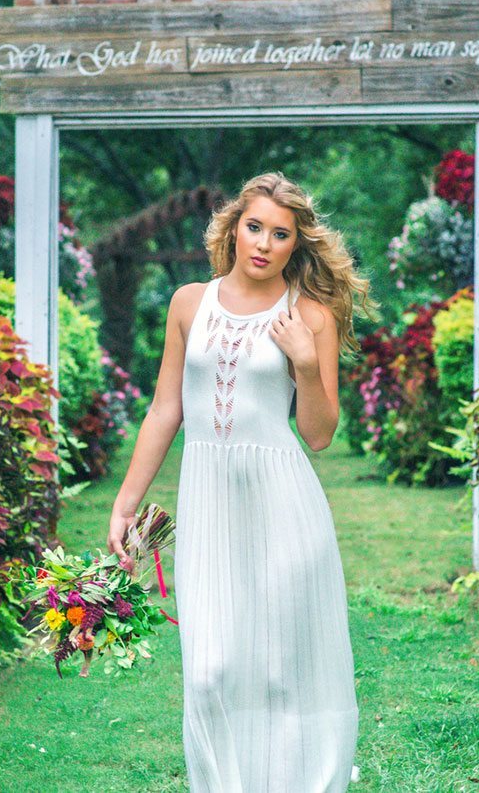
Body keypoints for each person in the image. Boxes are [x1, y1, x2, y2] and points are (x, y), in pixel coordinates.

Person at [108, 171, 377, 791]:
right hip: (208, 503)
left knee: (283, 668)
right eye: (254, 227)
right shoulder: (188, 302)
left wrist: (307, 364)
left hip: (284, 503)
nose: (263, 243)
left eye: (279, 234)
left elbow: (318, 433)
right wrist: (127, 505)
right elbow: (164, 411)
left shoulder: (310, 314)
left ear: (295, 245)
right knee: (211, 669)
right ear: (233, 228)